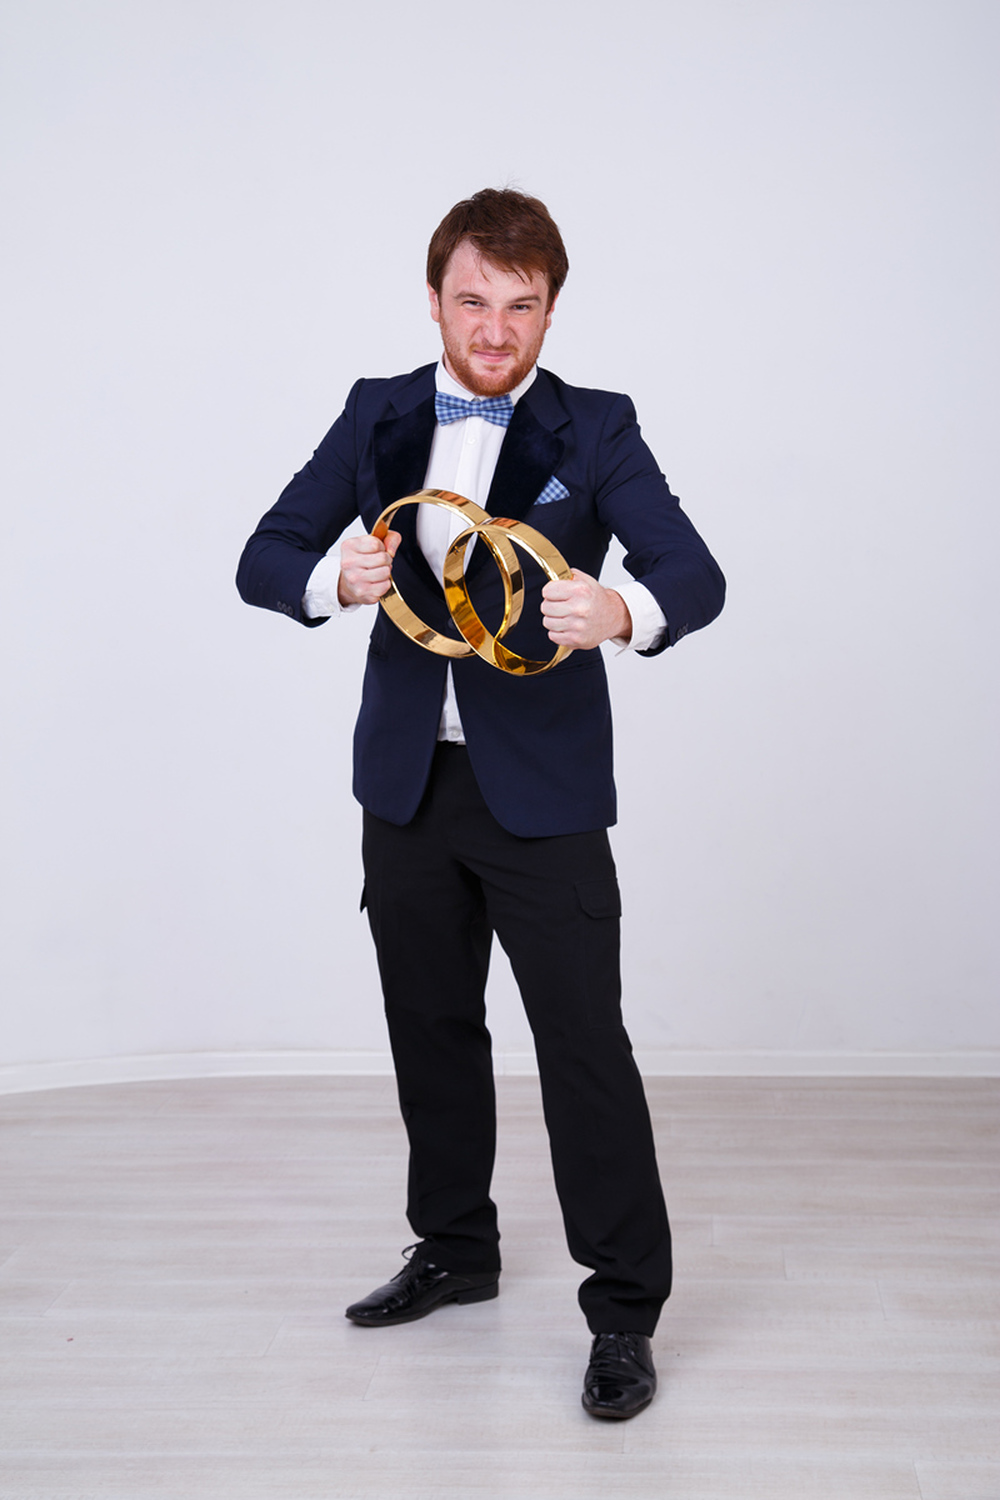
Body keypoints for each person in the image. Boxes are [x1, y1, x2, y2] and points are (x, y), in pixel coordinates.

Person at [237, 188, 725, 1419]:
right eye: (472, 301)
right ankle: (454, 1249)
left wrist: (620, 610)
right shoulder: (377, 410)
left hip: (542, 796)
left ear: (551, 309)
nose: (495, 329)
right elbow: (262, 555)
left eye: (520, 304)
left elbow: (692, 573)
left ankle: (623, 1314)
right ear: (434, 300)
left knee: (582, 1048)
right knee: (431, 1027)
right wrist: (332, 577)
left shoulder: (596, 426)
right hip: (407, 786)